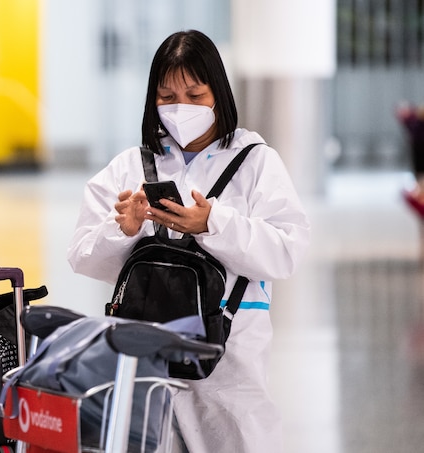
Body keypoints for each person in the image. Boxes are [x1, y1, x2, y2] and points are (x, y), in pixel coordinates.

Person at [66, 30, 310, 452]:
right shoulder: (131, 166)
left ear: (219, 93)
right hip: (146, 361)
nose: (181, 108)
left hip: (230, 366)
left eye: (195, 95)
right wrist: (121, 230)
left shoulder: (255, 162)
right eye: (167, 97)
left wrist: (213, 223)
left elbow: (286, 252)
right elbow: (82, 257)